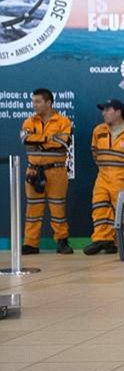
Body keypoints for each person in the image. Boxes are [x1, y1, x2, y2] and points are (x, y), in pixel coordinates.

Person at [20, 88, 73, 255]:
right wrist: (48, 139)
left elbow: (62, 143)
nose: (34, 105)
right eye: (33, 101)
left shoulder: (63, 121)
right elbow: (25, 140)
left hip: (56, 171)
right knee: (32, 209)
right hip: (33, 171)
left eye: (37, 101)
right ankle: (30, 243)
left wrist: (39, 140)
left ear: (48, 103)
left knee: (58, 208)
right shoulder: (29, 121)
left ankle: (62, 241)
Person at [84, 98, 124, 255]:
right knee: (100, 208)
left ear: (119, 112)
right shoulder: (98, 131)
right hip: (103, 177)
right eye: (103, 110)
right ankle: (102, 240)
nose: (104, 113)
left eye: (108, 110)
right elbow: (95, 152)